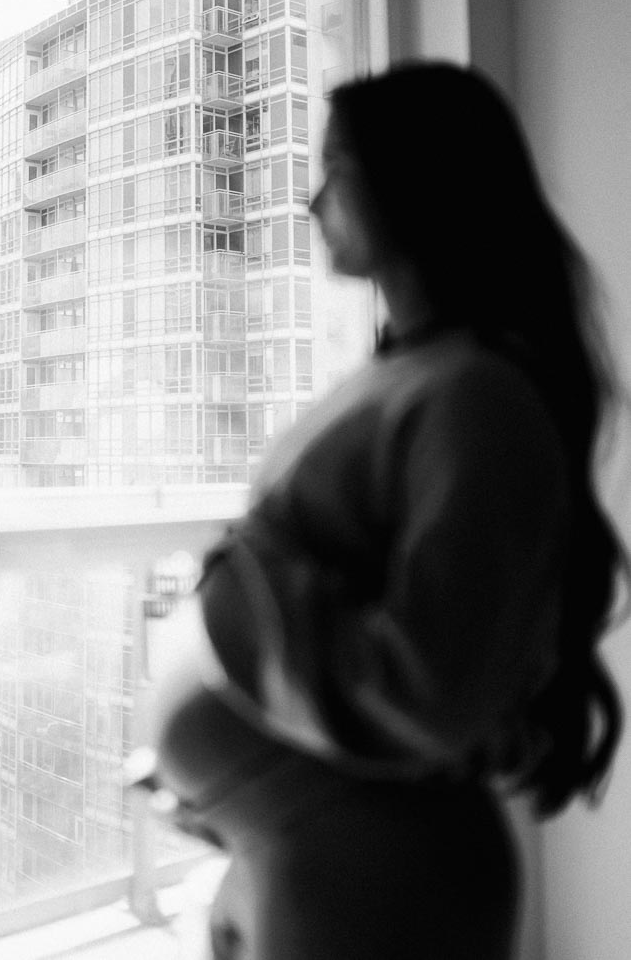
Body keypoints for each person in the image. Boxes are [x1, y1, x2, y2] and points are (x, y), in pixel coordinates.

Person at [148, 61, 627, 959]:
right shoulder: (408, 374)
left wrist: (245, 583)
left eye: (337, 166)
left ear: (418, 179)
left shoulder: (479, 395)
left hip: (382, 878)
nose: (311, 199)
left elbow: (430, 692)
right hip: (317, 851)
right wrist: (235, 777)